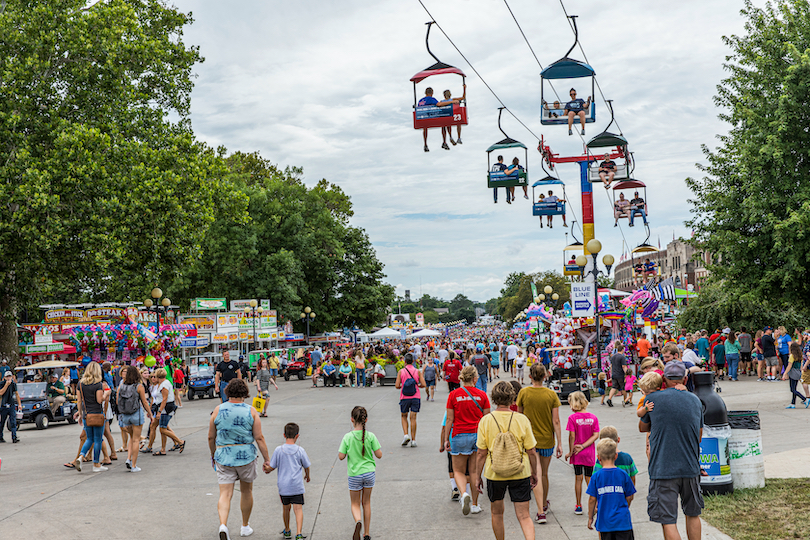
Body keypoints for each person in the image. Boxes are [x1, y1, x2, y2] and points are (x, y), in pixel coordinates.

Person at [639, 361, 704, 540]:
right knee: (693, 513)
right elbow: (698, 436)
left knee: (668, 520)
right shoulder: (695, 400)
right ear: (684, 378)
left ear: (664, 379)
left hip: (663, 468)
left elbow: (643, 427)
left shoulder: (652, 399)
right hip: (690, 467)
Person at [475, 381, 539, 540]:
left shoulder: (486, 420)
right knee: (524, 515)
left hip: (495, 473)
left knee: (497, 513)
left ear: (494, 399)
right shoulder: (522, 419)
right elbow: (531, 451)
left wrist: (477, 476)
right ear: (512, 398)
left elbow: (481, 453)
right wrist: (534, 472)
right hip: (520, 471)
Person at [209, 378, 271, 540]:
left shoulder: (218, 410)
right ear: (244, 393)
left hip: (224, 456)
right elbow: (259, 438)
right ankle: (245, 526)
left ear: (228, 392)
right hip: (246, 457)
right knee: (246, 491)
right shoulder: (251, 411)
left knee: (225, 494)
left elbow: (211, 437)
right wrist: (267, 459)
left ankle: (223, 525)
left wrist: (213, 454)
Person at [517, 364, 563, 524]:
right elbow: (555, 420)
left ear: (530, 376)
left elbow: (519, 416)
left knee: (534, 474)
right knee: (543, 473)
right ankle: (543, 503)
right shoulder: (551, 395)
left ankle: (540, 511)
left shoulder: (523, 393)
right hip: (547, 440)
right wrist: (559, 443)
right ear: (545, 376)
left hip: (529, 440)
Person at [445, 366, 490, 516]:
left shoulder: (453, 395)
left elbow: (449, 419)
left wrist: (446, 439)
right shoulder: (482, 395)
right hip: (477, 436)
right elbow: (486, 420)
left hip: (459, 435)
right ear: (475, 379)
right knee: (474, 471)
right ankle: (475, 505)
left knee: (458, 470)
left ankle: (464, 493)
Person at [338, 406, 382, 540]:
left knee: (355, 503)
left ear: (352, 419)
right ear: (366, 420)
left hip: (354, 474)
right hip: (369, 473)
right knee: (366, 502)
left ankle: (358, 520)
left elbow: (341, 456)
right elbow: (379, 455)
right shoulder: (371, 436)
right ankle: (367, 533)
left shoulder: (348, 437)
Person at [266, 422, 311, 540]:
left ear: (284, 435)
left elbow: (272, 467)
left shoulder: (278, 450)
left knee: (286, 508)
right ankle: (299, 533)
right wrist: (307, 475)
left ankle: (287, 530)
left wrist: (266, 469)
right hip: (296, 485)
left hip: (283, 486)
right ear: (297, 436)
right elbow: (306, 465)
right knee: (298, 508)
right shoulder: (300, 450)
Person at [586, 439, 636, 539]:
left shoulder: (596, 477)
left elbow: (592, 499)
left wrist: (590, 517)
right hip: (623, 523)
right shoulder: (623, 475)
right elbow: (630, 496)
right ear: (616, 456)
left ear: (598, 458)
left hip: (605, 524)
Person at [565, 391, 600, 516]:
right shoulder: (593, 417)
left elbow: (572, 436)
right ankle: (595, 502)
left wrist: (571, 451)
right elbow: (596, 435)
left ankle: (578, 505)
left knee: (578, 478)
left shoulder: (572, 418)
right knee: (589, 478)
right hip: (589, 452)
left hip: (577, 453)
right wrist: (584, 445)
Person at [76, 362, 111, 472]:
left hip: (87, 414)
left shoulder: (80, 384)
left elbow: (79, 401)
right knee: (98, 440)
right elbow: (99, 400)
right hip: (97, 414)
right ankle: (96, 464)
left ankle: (81, 456)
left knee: (89, 438)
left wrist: (81, 414)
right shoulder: (98, 384)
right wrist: (106, 394)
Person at [117, 363, 153, 472]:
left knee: (132, 438)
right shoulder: (139, 386)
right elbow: (144, 402)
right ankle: (133, 465)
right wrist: (150, 414)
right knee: (136, 440)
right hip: (136, 414)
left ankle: (128, 458)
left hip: (125, 415)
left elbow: (117, 401)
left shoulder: (121, 386)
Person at [148, 369, 184, 455]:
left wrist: (159, 411)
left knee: (163, 429)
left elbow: (164, 399)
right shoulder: (165, 383)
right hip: (163, 408)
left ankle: (180, 441)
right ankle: (163, 449)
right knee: (162, 429)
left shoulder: (164, 385)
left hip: (165, 409)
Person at [396, 353, 425, 447]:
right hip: (415, 396)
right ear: (413, 361)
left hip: (404, 397)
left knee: (404, 416)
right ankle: (413, 440)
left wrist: (402, 386)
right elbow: (423, 384)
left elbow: (397, 385)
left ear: (405, 361)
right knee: (413, 418)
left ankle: (405, 435)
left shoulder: (401, 371)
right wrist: (419, 385)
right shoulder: (417, 371)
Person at [0, 370, 22, 443]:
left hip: (11, 404)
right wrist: (6, 384)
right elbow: (1, 393)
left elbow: (17, 394)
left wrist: (19, 404)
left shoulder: (13, 384)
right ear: (5, 377)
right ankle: (0, 437)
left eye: (10, 376)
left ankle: (14, 437)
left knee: (13, 421)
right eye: (7, 376)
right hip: (4, 405)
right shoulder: (2, 384)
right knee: (2, 422)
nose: (9, 378)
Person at [783, 341, 806, 408]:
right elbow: (801, 365)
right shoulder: (800, 355)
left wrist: (785, 373)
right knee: (794, 388)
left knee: (792, 389)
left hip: (793, 373)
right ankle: (793, 403)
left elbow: (789, 366)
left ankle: (804, 399)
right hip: (798, 372)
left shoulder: (792, 356)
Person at [607, 341, 627, 407]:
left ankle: (609, 399)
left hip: (614, 374)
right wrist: (627, 373)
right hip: (620, 374)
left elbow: (611, 366)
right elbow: (623, 366)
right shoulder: (622, 357)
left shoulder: (613, 357)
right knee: (623, 388)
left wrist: (611, 373)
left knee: (614, 387)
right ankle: (625, 400)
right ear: (622, 350)